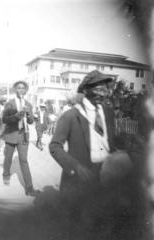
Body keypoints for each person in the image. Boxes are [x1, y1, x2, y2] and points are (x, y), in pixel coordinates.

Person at [49, 70, 118, 239]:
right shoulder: (71, 115)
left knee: (102, 224)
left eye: (105, 90)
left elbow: (110, 142)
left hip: (106, 175)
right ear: (86, 90)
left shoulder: (108, 113)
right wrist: (75, 166)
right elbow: (55, 146)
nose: (102, 95)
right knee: (77, 226)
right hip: (81, 177)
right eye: (97, 90)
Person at [1, 80, 39, 196]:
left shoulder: (28, 104)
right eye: (18, 88)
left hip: (23, 135)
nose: (21, 90)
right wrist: (16, 116)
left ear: (26, 90)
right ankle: (6, 175)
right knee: (8, 158)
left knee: (23, 160)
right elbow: (4, 119)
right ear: (15, 90)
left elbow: (31, 121)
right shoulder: (9, 103)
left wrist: (28, 114)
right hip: (11, 134)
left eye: (23, 88)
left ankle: (29, 188)